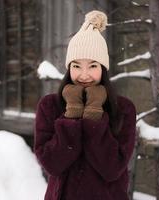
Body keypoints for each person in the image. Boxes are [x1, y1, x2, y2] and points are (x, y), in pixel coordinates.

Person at [34, 10, 136, 200]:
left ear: (103, 68)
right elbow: (52, 164)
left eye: (92, 66)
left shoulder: (123, 109)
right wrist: (72, 113)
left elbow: (112, 169)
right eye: (77, 66)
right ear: (69, 68)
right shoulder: (50, 106)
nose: (84, 74)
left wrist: (93, 113)